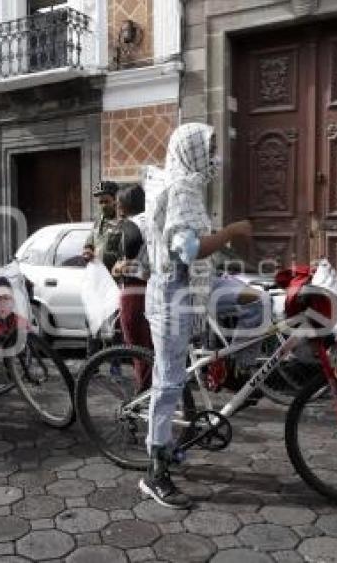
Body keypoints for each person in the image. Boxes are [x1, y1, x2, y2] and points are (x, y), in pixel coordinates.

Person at [140, 123, 263, 509]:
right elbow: (189, 250)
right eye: (206, 149)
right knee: (169, 383)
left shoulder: (189, 187)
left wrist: (228, 261)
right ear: (189, 151)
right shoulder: (179, 190)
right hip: (172, 294)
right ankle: (155, 473)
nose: (211, 158)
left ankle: (241, 373)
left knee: (257, 301)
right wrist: (231, 232)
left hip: (197, 288)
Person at [110, 185, 152, 392]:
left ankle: (143, 393)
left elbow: (129, 255)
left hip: (134, 292)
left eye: (118, 203)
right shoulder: (154, 220)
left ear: (126, 204)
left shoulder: (131, 225)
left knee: (138, 347)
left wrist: (120, 266)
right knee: (151, 346)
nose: (117, 207)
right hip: (154, 290)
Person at [82, 181, 122, 272]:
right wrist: (87, 250)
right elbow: (90, 241)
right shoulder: (99, 221)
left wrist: (101, 255)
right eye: (101, 202)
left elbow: (127, 254)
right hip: (98, 274)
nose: (103, 205)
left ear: (116, 200)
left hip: (115, 276)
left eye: (106, 201)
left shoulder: (124, 223)